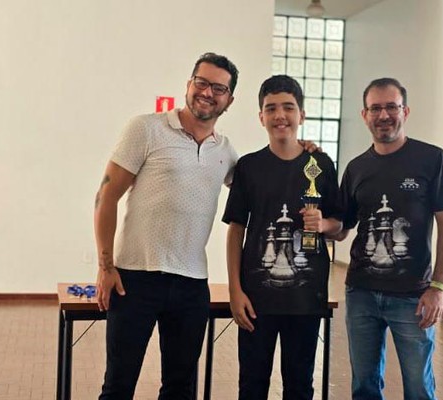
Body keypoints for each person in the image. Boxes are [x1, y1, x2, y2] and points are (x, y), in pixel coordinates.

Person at [94, 53, 319, 400]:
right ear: (189, 84)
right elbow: (106, 197)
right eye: (202, 83)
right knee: (118, 387)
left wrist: (300, 150)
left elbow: (264, 179)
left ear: (229, 100)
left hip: (191, 285)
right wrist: (106, 266)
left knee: (180, 389)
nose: (208, 93)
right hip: (135, 279)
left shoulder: (226, 153)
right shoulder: (146, 129)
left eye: (219, 88)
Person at [336, 77, 443, 400]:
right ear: (364, 115)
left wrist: (438, 287)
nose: (383, 115)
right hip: (361, 292)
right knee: (364, 387)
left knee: (418, 389)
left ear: (405, 111)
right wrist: (316, 220)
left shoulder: (432, 159)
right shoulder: (356, 168)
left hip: (414, 296)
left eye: (391, 107)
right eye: (375, 108)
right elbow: (343, 228)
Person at [223, 75, 343, 400]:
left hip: (305, 298)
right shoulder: (248, 167)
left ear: (301, 115)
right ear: (260, 116)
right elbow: (236, 230)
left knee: (300, 386)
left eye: (288, 107)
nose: (280, 115)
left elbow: (340, 226)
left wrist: (323, 224)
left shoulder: (320, 164)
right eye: (271, 108)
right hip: (256, 298)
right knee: (252, 385)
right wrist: (235, 290)